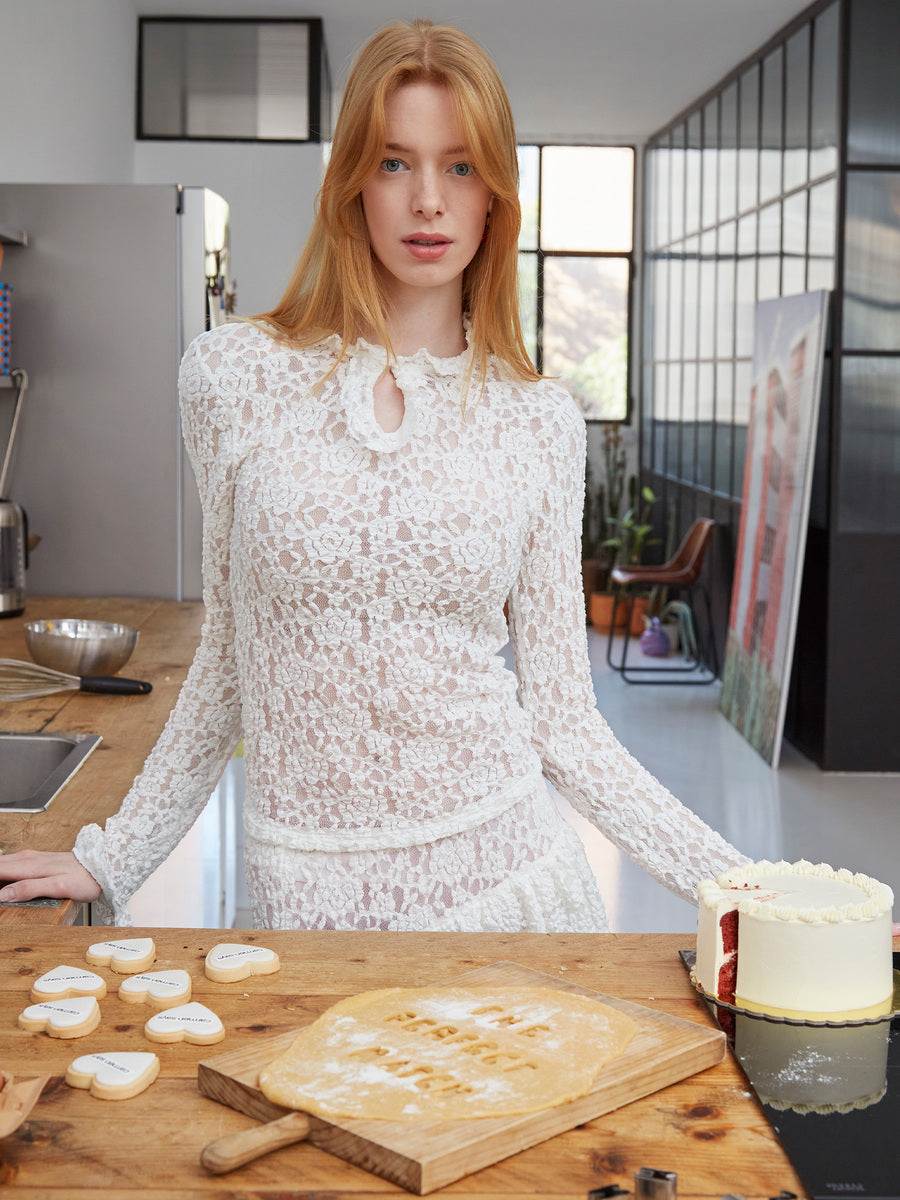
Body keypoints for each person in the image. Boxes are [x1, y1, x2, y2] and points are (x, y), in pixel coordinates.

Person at [0, 19, 748, 930]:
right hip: (307, 905)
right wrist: (113, 856)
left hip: (510, 888)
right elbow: (231, 657)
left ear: (495, 196)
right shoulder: (233, 377)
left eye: (461, 166)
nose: (428, 200)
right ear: (352, 180)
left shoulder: (540, 420)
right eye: (395, 163)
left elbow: (565, 725)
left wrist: (749, 890)